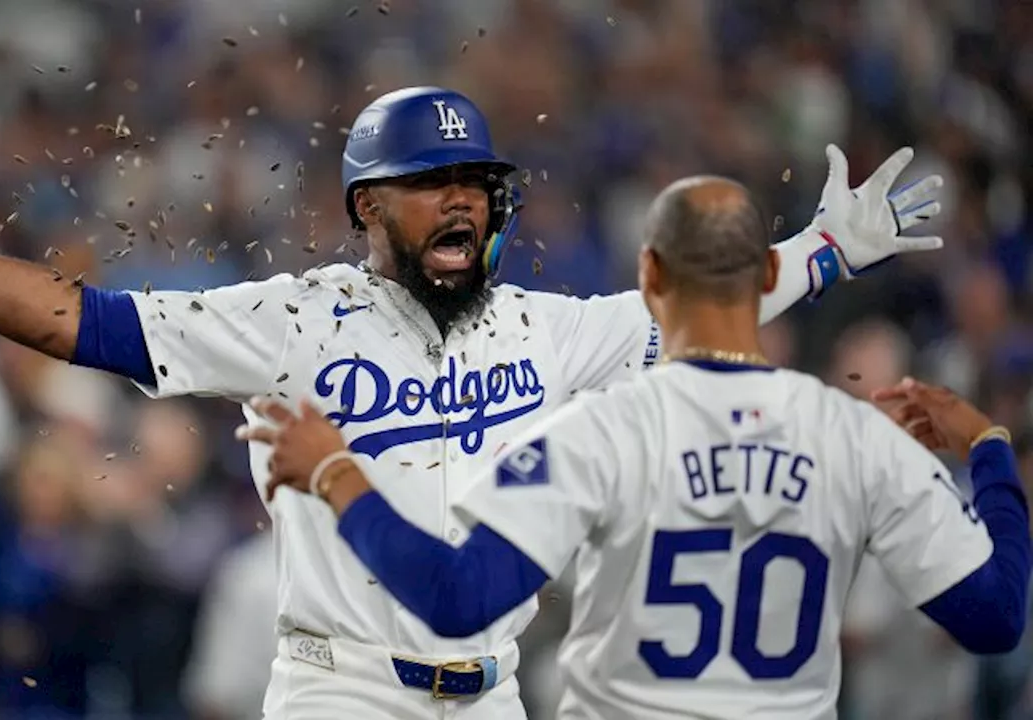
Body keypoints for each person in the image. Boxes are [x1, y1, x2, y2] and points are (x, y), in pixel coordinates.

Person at [0, 87, 946, 719]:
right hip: (338, 689)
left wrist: (828, 248)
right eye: (425, 187)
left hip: (491, 695)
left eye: (473, 186)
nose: (456, 206)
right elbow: (79, 321)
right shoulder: (291, 318)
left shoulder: (551, 329)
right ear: (363, 209)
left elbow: (711, 308)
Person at [236, 175, 1031, 719]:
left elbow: (456, 600)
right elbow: (997, 616)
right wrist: (990, 451)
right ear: (763, 284)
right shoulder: (859, 437)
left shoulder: (595, 436)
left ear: (648, 275)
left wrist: (340, 475)